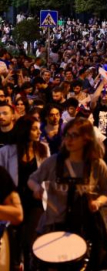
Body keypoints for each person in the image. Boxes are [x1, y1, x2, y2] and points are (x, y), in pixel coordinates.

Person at [28, 118, 107, 270]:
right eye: (67, 135)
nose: (69, 140)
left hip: (84, 228)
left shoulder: (97, 165)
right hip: (54, 226)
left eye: (74, 136)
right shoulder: (53, 162)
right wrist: (37, 188)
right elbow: (33, 179)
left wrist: (97, 202)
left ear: (86, 139)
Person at [0, 116, 49, 271]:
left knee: (30, 242)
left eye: (39, 128)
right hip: (14, 202)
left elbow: (48, 177)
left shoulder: (43, 149)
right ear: (24, 131)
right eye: (34, 129)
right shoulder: (6, 151)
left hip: (35, 202)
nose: (39, 132)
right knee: (15, 242)